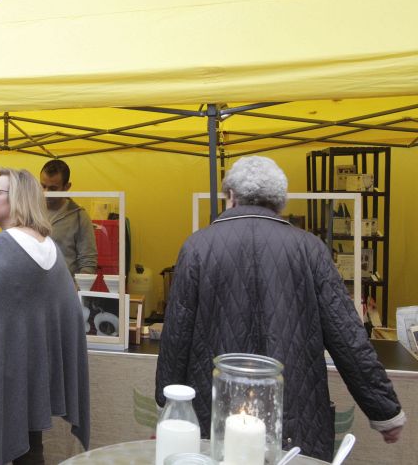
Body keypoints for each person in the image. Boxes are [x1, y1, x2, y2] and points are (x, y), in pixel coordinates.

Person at [155, 156, 405, 461]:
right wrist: (384, 410)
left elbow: (175, 337)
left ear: (230, 195)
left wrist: (167, 406)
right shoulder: (310, 248)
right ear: (279, 201)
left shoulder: (197, 247)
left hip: (217, 412)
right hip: (294, 417)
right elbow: (348, 336)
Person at [0, 168, 90, 465]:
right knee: (30, 448)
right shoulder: (49, 247)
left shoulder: (2, 246)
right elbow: (70, 311)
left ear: (18, 199)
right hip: (33, 374)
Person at [39, 159, 97, 275]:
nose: (46, 192)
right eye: (43, 186)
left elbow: (88, 262)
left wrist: (77, 285)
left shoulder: (79, 217)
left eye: (53, 188)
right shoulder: (30, 211)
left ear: (67, 187)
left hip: (66, 284)